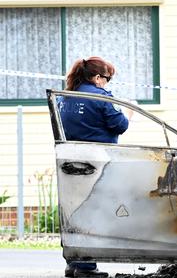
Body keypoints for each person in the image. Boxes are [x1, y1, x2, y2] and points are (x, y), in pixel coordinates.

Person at [59, 56, 133, 277]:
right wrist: (128, 112)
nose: (107, 84)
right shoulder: (101, 97)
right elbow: (119, 125)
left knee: (73, 211)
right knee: (93, 211)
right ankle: (86, 267)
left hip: (69, 160)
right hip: (97, 161)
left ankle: (73, 262)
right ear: (98, 77)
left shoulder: (67, 96)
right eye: (107, 79)